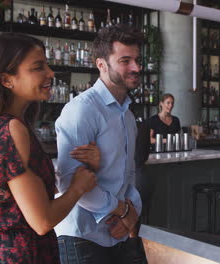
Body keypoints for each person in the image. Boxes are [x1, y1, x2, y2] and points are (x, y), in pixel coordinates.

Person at [0, 33, 96, 263]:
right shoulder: (11, 129)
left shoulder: (6, 126)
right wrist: (78, 188)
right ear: (6, 79)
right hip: (22, 256)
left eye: (47, 64)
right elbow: (42, 221)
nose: (50, 73)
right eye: (38, 67)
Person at [54, 24, 146, 263]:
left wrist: (131, 213)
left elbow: (128, 175)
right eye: (125, 61)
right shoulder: (81, 110)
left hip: (119, 233)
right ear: (101, 65)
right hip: (83, 237)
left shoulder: (126, 114)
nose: (136, 68)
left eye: (137, 60)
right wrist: (122, 211)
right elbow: (69, 182)